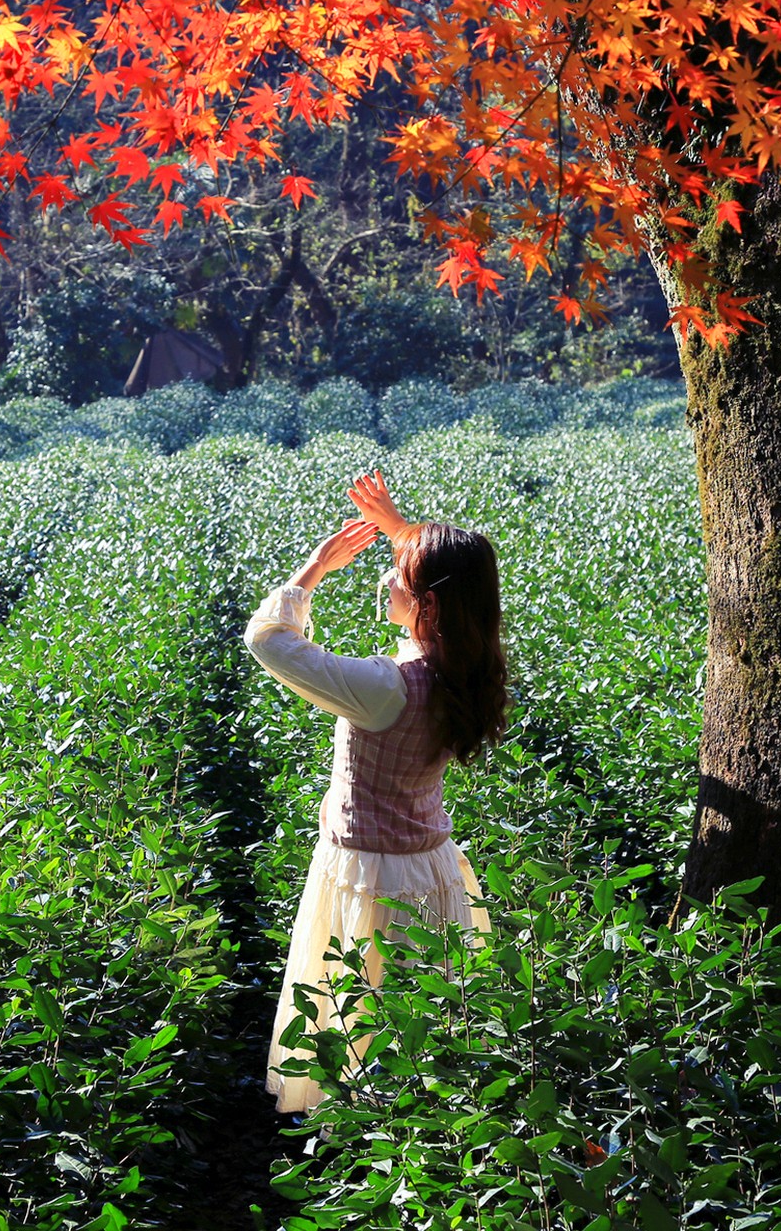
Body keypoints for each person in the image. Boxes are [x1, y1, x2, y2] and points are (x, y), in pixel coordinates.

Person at [242, 469, 512, 1113]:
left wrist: (310, 573)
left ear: (431, 605)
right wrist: (403, 534)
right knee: (424, 1033)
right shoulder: (471, 665)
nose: (386, 579)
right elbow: (459, 580)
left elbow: (268, 642)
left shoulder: (383, 687)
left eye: (400, 574)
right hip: (432, 869)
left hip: (370, 876)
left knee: (358, 1026)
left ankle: (357, 1163)